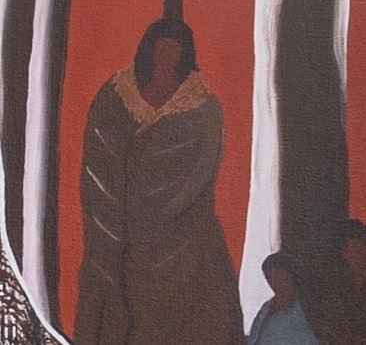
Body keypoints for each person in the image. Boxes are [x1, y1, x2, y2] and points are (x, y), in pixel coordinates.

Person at [74, 19, 244, 344]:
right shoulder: (115, 97)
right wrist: (116, 219)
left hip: (186, 243)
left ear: (184, 55)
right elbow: (97, 161)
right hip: (115, 233)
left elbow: (202, 171)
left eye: (173, 51)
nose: (166, 57)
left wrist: (159, 213)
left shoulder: (202, 107)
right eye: (160, 49)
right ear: (148, 50)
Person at [247, 253, 319, 345]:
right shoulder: (266, 308)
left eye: (278, 275)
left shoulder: (305, 308)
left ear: (290, 275)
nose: (272, 281)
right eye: (269, 276)